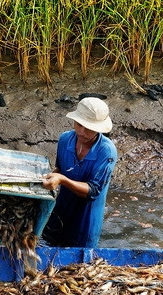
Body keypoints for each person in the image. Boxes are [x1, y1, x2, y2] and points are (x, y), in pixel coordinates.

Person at [41, 97, 117, 248]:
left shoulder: (106, 151)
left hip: (86, 217)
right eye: (79, 125)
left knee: (78, 260)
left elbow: (93, 191)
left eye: (89, 128)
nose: (82, 132)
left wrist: (62, 180)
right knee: (48, 245)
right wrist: (49, 178)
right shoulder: (65, 139)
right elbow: (60, 169)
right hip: (61, 209)